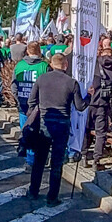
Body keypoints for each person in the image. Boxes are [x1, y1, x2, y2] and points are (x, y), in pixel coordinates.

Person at [24, 52, 89, 203]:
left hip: (44, 122)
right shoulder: (71, 82)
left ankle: (33, 191)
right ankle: (52, 197)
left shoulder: (42, 79)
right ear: (65, 65)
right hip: (62, 124)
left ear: (52, 65)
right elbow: (80, 106)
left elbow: (31, 101)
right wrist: (89, 96)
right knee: (57, 162)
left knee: (40, 160)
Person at [86, 44, 112, 168]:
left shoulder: (93, 64)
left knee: (86, 129)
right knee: (101, 132)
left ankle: (84, 155)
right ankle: (97, 160)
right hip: (103, 104)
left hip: (88, 102)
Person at [12, 42, 49, 120]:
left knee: (25, 128)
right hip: (39, 104)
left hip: (23, 101)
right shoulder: (45, 66)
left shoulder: (19, 65)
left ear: (27, 51)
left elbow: (14, 85)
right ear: (39, 51)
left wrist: (17, 98)